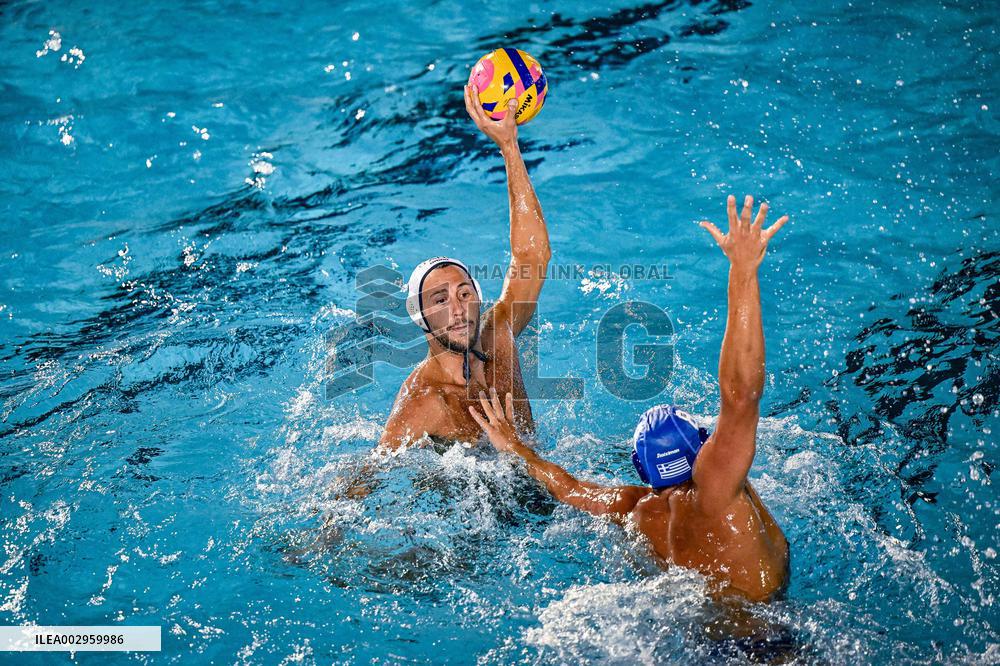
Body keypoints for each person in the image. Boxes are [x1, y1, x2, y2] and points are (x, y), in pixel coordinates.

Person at [468, 195, 790, 602]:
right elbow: (740, 396)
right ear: (705, 447)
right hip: (766, 630)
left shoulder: (634, 508)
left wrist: (513, 446)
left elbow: (567, 488)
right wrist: (743, 271)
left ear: (642, 468)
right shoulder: (717, 487)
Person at [377, 85, 552, 451]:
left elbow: (532, 256)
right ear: (420, 316)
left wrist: (509, 147)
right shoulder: (422, 403)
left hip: (540, 472)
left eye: (464, 294)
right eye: (440, 300)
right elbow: (369, 471)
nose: (458, 310)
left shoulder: (499, 336)